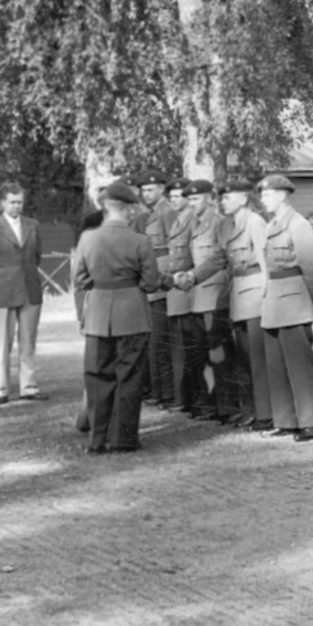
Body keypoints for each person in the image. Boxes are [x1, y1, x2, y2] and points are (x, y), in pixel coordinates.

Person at [74, 182, 160, 453]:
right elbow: (151, 283)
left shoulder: (87, 239)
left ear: (106, 207)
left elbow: (80, 279)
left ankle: (97, 439)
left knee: (98, 377)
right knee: (130, 377)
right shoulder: (140, 240)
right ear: (128, 209)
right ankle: (124, 439)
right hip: (132, 315)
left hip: (98, 316)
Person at [188, 180, 268, 429]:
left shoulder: (255, 222)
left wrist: (268, 296)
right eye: (222, 198)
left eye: (228, 197)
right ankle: (250, 411)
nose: (223, 202)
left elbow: (266, 262)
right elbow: (218, 258)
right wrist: (191, 277)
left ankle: (264, 413)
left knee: (255, 356)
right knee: (242, 357)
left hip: (255, 293)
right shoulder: (228, 226)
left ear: (243, 199)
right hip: (237, 295)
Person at [258, 175, 313, 442]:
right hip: (274, 301)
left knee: (300, 365)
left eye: (267, 194)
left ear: (282, 195)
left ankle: (311, 422)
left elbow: (312, 269)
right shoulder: (272, 225)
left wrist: (311, 303)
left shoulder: (298, 225)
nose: (262, 199)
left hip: (295, 301)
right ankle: (286, 420)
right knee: (277, 365)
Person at [178, 180, 236, 423]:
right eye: (189, 199)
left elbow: (225, 259)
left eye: (196, 198)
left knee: (220, 355)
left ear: (210, 198)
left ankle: (228, 407)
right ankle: (210, 404)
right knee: (202, 354)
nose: (192, 203)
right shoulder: (193, 223)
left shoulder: (220, 222)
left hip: (215, 297)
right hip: (197, 297)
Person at [0, 181, 45, 403]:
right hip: (3, 291)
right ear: (2, 202)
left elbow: (37, 256)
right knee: (2, 343)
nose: (17, 206)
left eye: (19, 202)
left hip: (30, 289)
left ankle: (28, 387)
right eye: (12, 202)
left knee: (28, 341)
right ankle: (1, 389)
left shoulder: (32, 225)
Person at [133, 171, 175, 408]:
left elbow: (174, 248)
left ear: (162, 189)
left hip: (162, 283)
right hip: (151, 281)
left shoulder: (167, 212)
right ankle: (159, 392)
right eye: (143, 190)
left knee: (161, 340)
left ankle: (167, 393)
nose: (146, 194)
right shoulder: (147, 214)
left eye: (150, 189)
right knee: (154, 341)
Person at [163, 178, 204, 415]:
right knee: (180, 348)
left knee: (191, 348)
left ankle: (193, 400)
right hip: (176, 291)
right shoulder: (178, 221)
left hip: (188, 289)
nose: (173, 200)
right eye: (171, 196)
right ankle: (185, 398)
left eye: (178, 196)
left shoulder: (192, 221)